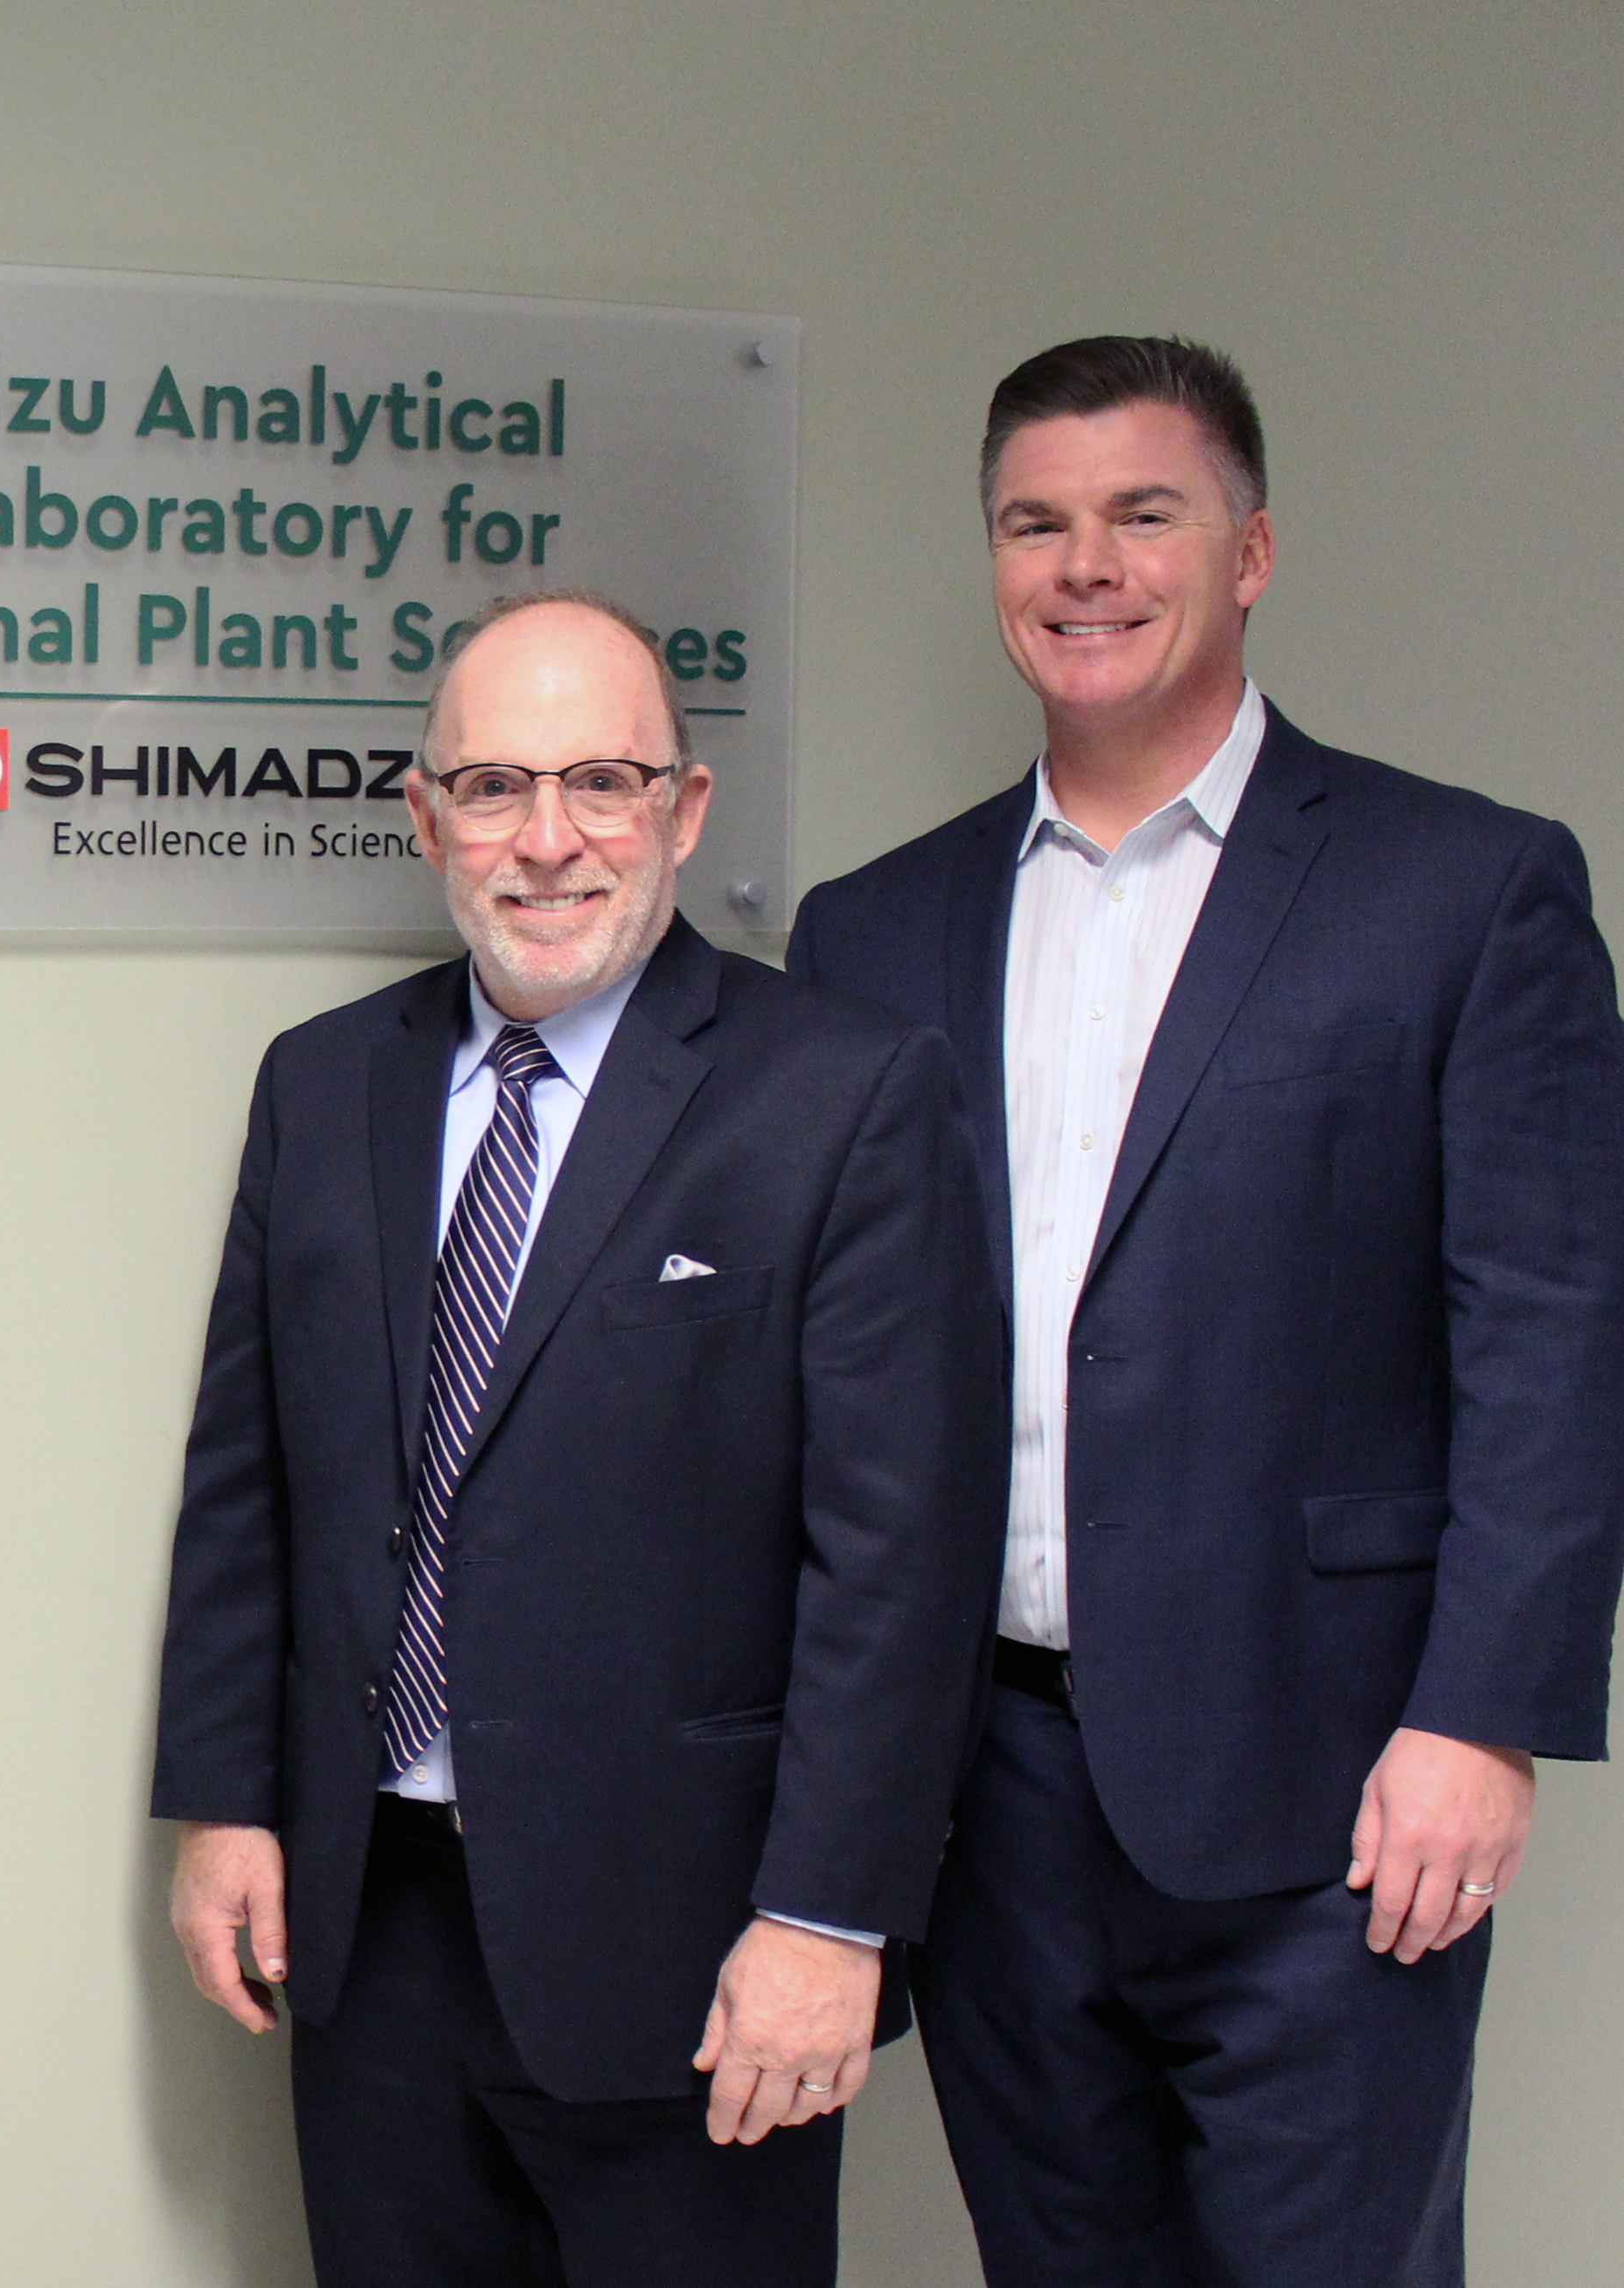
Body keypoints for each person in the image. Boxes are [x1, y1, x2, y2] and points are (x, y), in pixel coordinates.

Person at [792, 334, 1624, 2286]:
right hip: (984, 1798)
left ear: (1249, 552)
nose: (1085, 564)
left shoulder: (1465, 889)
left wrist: (1482, 1717)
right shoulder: (872, 930)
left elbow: (1556, 1333)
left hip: (1336, 1795)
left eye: (1142, 514)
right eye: (1036, 522)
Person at [150, 589, 1003, 2287]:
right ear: (426, 816)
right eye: (494, 787)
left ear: (684, 812)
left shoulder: (840, 1095)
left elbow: (899, 1565)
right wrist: (224, 1804)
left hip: (695, 1950)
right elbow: (246, 1481)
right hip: (372, 1926)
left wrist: (830, 1916)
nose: (549, 840)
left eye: (603, 783)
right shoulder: (323, 1086)